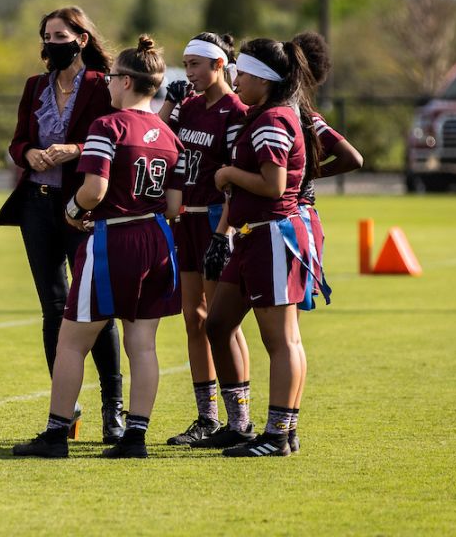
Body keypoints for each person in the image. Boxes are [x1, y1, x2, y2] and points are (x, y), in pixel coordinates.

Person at [12, 35, 184, 459]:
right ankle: (136, 436)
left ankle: (55, 434)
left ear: (126, 82)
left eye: (111, 78)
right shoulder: (167, 133)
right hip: (158, 238)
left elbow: (94, 189)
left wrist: (72, 208)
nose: (106, 84)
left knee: (71, 340)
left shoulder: (108, 126)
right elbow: (176, 205)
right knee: (142, 344)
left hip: (115, 237)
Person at [2, 6, 125, 443]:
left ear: (82, 39)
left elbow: (114, 131)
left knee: (96, 305)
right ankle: (65, 409)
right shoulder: (35, 85)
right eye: (47, 36)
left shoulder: (100, 85)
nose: (52, 43)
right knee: (53, 308)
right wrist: (27, 154)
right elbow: (17, 141)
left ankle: (114, 408)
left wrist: (77, 148)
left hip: (83, 204)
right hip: (36, 204)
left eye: (60, 35)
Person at [201, 37, 322, 457]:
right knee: (217, 324)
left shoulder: (273, 118)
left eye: (242, 74)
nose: (235, 81)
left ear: (262, 78)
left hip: (273, 234)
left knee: (281, 340)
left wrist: (228, 173)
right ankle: (240, 425)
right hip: (251, 235)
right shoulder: (261, 114)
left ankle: (279, 434)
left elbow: (273, 186)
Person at [153, 33, 254, 446]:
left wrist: (223, 233)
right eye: (186, 63)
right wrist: (171, 103)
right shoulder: (189, 106)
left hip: (215, 219)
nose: (189, 72)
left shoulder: (235, 111)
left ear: (219, 66)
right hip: (184, 219)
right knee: (192, 318)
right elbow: (151, 139)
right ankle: (207, 417)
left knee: (221, 321)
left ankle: (240, 419)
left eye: (196, 64)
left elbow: (235, 179)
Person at [282, 31, 364, 453]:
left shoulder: (300, 114)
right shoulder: (299, 111)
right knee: (278, 331)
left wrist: (307, 177)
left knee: (284, 332)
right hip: (296, 220)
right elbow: (353, 158)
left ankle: (282, 429)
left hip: (291, 222)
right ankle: (276, 426)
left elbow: (353, 157)